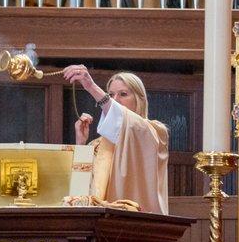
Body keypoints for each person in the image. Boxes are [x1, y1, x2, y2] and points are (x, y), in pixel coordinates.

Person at [63, 65, 169, 215]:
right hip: (100, 224)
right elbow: (79, 192)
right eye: (111, 95)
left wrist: (91, 87)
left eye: (123, 94)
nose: (115, 100)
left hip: (140, 223)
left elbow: (129, 123)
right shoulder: (97, 145)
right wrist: (81, 145)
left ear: (140, 99)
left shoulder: (154, 132)